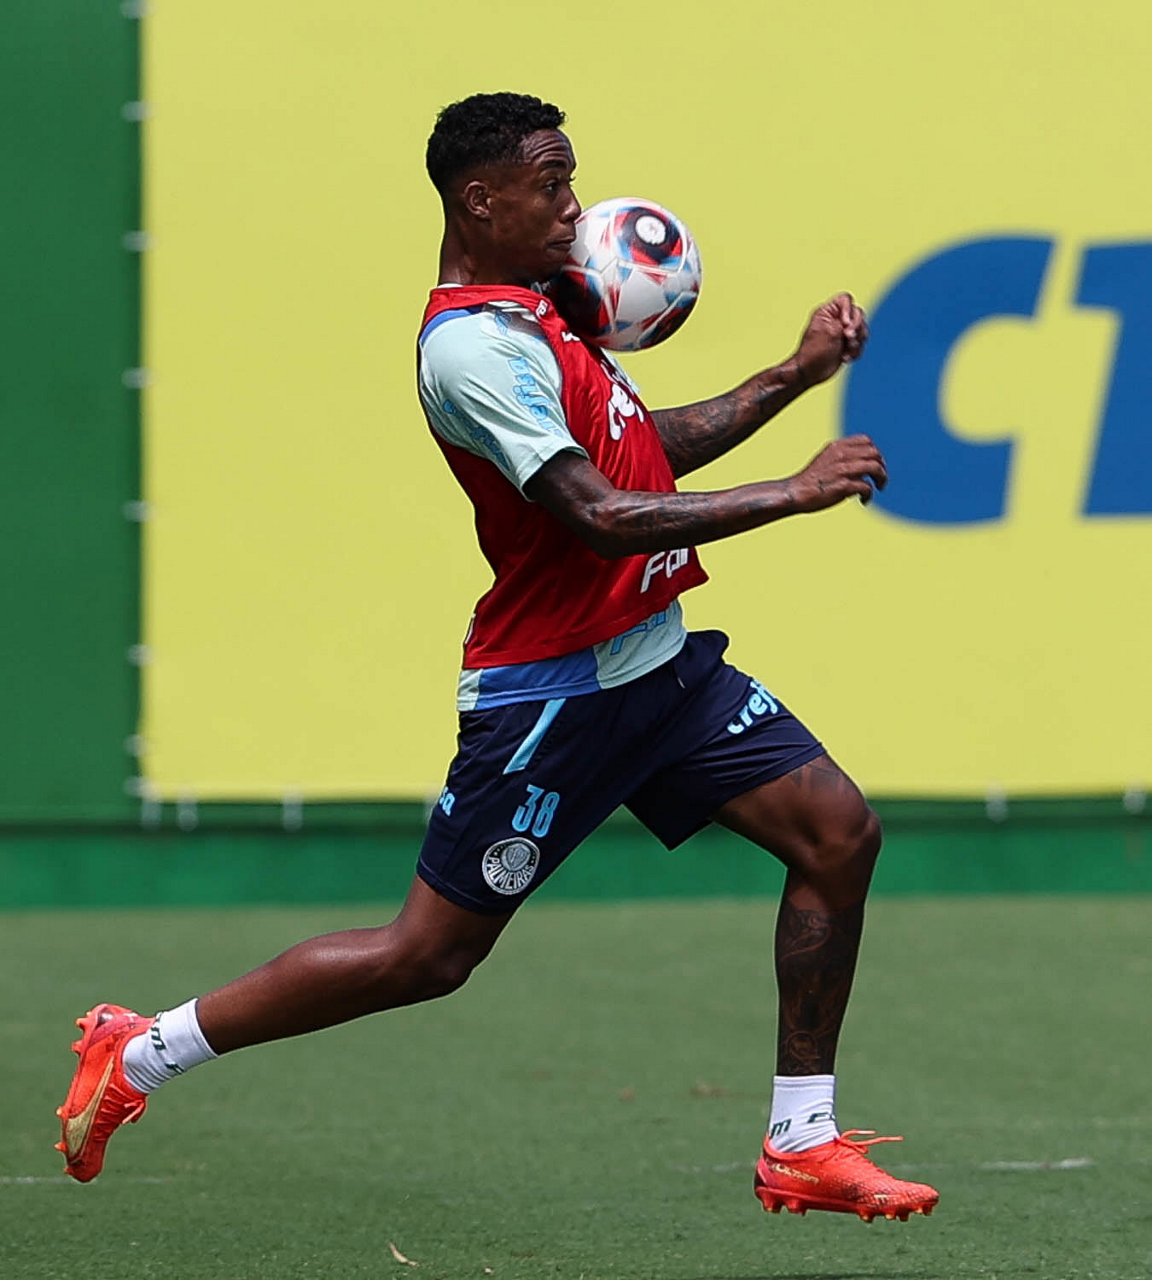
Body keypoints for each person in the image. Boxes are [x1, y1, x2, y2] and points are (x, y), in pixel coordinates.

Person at [57, 91, 937, 1223]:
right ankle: (141, 1051)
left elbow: (643, 449)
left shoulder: (542, 312)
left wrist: (792, 374)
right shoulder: (473, 348)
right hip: (554, 697)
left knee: (837, 834)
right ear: (481, 199)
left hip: (660, 670)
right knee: (424, 957)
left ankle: (801, 1140)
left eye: (572, 182)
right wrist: (795, 493)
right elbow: (601, 514)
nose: (575, 208)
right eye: (552, 185)